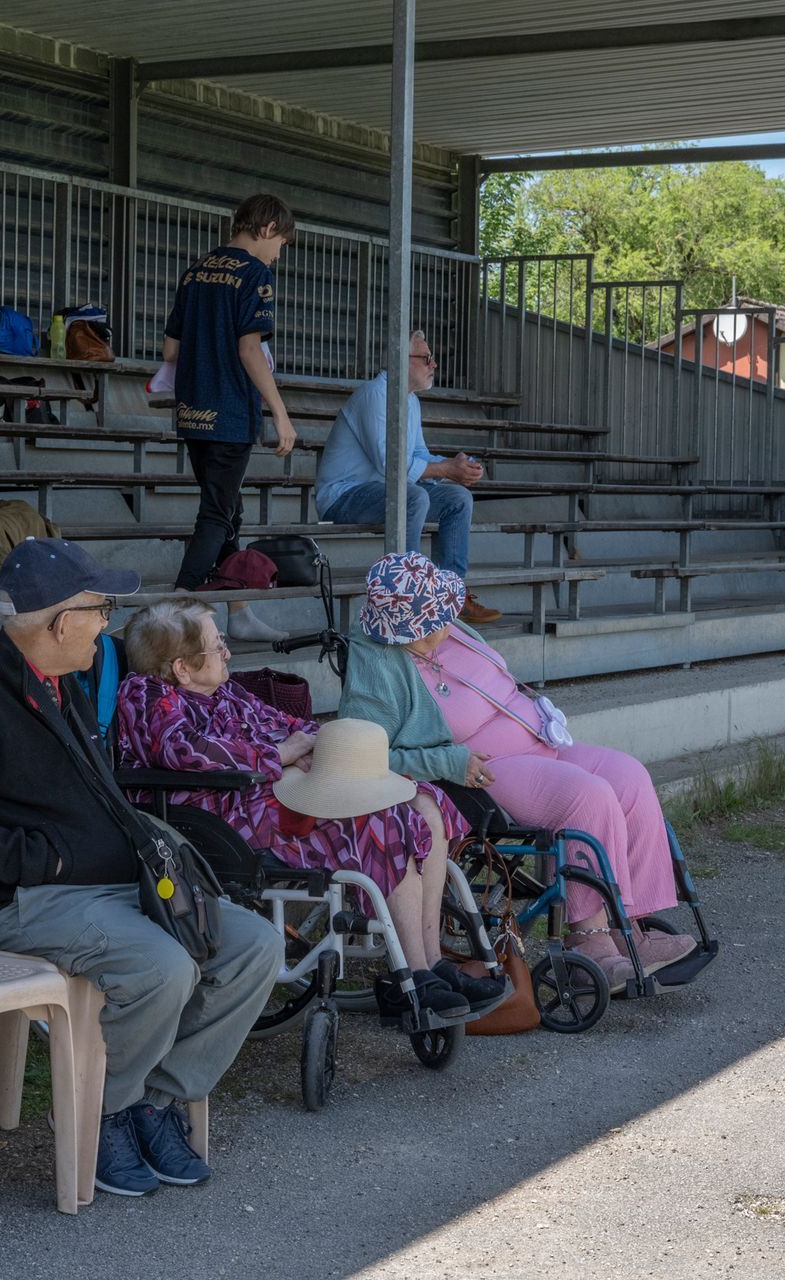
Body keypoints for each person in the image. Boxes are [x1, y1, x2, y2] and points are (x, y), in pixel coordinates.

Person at [0, 538, 281, 1200]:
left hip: (105, 886)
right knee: (162, 968)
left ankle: (153, 1100)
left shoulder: (63, 685)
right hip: (22, 898)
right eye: (101, 610)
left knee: (256, 946)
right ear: (59, 623)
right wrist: (47, 857)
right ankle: (101, 1111)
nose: (109, 625)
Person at [114, 600, 503, 1015]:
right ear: (181, 668)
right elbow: (185, 751)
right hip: (218, 813)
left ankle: (431, 962)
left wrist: (317, 746)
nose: (227, 652)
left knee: (421, 800)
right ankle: (414, 975)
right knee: (382, 819)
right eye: (216, 645)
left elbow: (289, 725)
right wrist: (279, 754)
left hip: (271, 796)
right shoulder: (146, 695)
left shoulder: (223, 691)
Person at [337, 552, 697, 988]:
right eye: (433, 622)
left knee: (629, 776)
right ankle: (590, 942)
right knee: (587, 796)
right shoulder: (377, 665)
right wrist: (447, 761)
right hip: (486, 772)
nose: (445, 626)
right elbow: (368, 753)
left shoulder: (447, 629)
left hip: (541, 742)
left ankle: (630, 929)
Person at [164, 193, 298, 643]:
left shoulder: (195, 270)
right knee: (218, 513)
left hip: (192, 410)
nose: (278, 254)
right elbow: (249, 349)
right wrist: (280, 413)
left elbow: (170, 350)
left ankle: (238, 611)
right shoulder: (256, 274)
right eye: (281, 243)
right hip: (231, 412)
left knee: (228, 510)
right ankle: (175, 610)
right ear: (267, 228)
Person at [314, 330, 501, 625]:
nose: (433, 364)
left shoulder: (411, 400)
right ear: (401, 359)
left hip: (383, 491)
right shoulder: (375, 394)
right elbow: (391, 465)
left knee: (458, 497)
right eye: (427, 358)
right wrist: (445, 469)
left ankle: (451, 595)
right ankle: (411, 595)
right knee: (414, 496)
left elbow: (418, 454)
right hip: (343, 496)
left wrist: (455, 465)